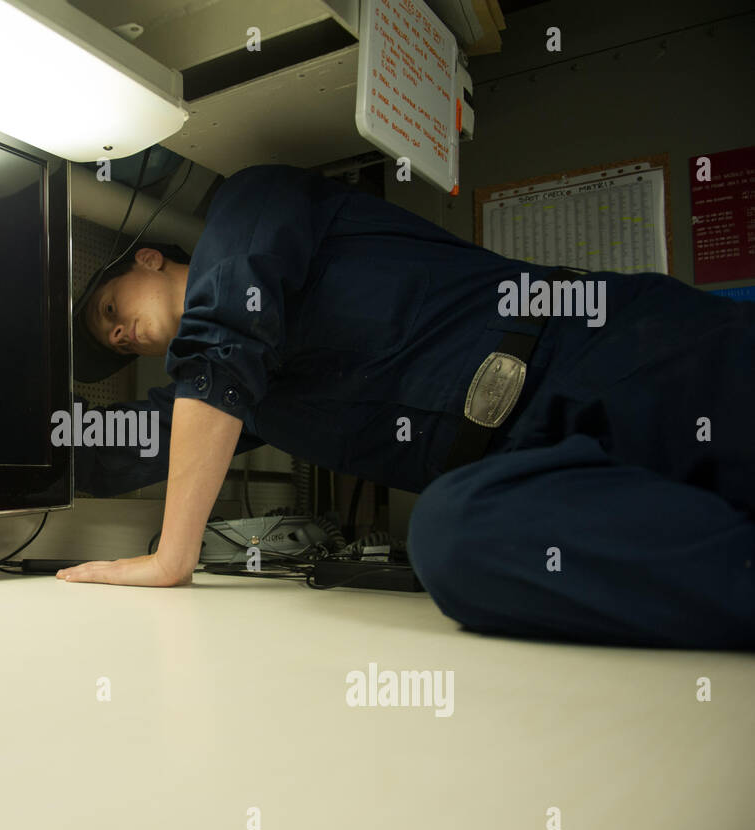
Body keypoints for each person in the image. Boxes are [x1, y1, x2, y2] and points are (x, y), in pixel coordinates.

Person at [56, 163, 755, 650]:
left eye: (112, 310)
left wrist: (172, 555)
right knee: (448, 536)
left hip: (601, 351)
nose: (120, 334)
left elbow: (225, 328)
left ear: (147, 258)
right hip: (531, 472)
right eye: (114, 342)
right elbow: (122, 440)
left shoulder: (251, 205)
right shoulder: (239, 400)